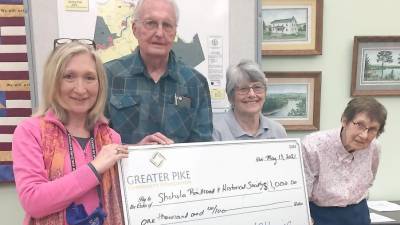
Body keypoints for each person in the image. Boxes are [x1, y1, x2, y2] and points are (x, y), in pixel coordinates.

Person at [12, 40, 130, 225]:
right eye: (69, 76)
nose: (80, 89)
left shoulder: (111, 138)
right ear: (53, 81)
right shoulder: (30, 131)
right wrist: (94, 168)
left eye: (89, 78)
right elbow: (33, 201)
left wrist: (143, 153)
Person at [104, 0, 213, 144]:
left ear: (175, 32)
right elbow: (95, 141)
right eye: (151, 23)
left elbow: (202, 146)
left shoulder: (195, 83)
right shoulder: (108, 75)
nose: (159, 33)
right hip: (122, 165)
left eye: (167, 25)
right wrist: (134, 151)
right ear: (134, 29)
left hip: (180, 166)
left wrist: (176, 156)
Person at [301, 96, 387, 225]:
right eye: (359, 125)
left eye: (372, 129)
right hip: (321, 215)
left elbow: (370, 180)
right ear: (345, 120)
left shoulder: (374, 147)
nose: (364, 135)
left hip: (359, 213)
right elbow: (302, 194)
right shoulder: (312, 146)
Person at [213, 60, 287, 141]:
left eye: (257, 87)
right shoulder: (215, 133)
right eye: (243, 89)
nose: (252, 94)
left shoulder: (278, 132)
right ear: (231, 95)